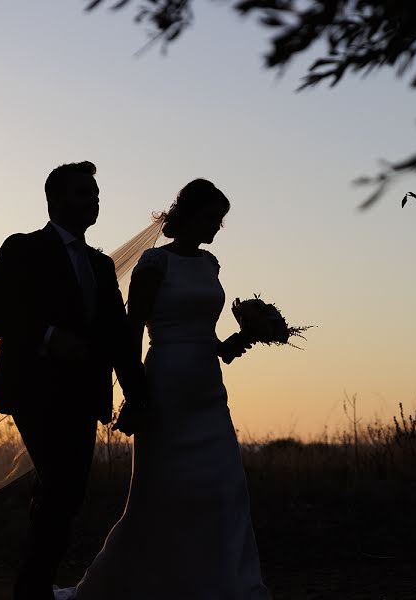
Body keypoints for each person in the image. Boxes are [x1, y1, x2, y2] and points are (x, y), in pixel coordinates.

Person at [55, 179, 271, 599]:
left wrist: (246, 336)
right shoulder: (154, 264)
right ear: (188, 215)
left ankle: (223, 583)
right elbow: (132, 330)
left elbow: (213, 341)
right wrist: (134, 394)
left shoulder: (210, 264)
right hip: (166, 384)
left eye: (221, 221)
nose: (216, 229)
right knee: (164, 492)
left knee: (225, 488)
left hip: (209, 389)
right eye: (212, 219)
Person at [0, 161, 149, 600]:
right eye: (83, 192)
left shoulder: (101, 266)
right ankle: (31, 590)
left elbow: (116, 338)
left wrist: (137, 393)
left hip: (84, 396)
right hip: (35, 392)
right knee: (62, 489)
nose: (94, 199)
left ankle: (35, 585)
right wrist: (49, 338)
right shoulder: (22, 248)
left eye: (96, 192)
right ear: (56, 200)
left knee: (64, 496)